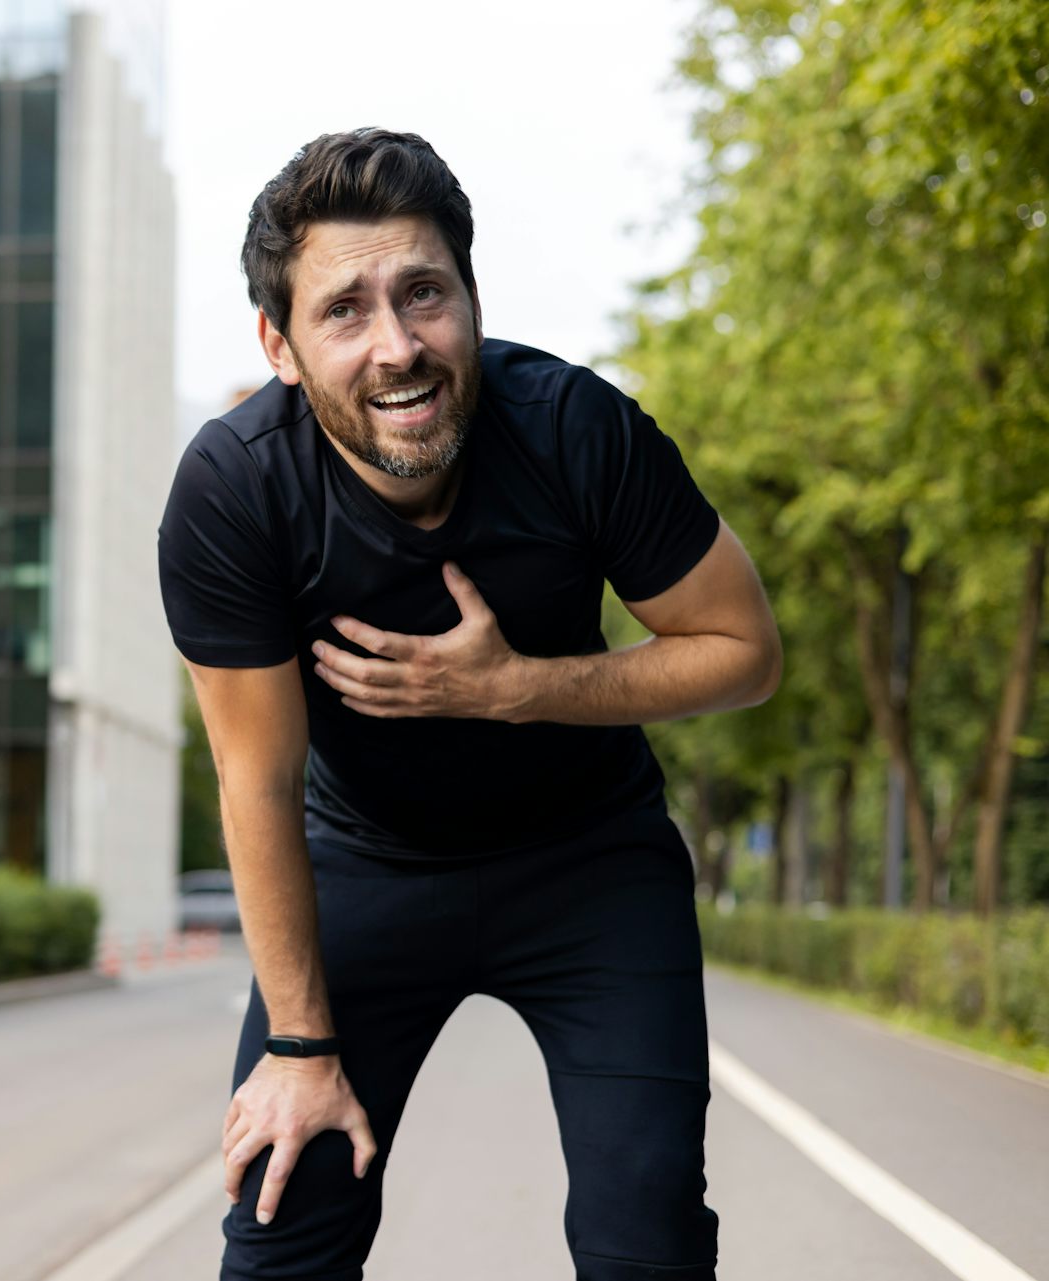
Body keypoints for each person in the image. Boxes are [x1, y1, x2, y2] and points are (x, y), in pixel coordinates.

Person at [155, 128, 782, 1281]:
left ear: (473, 301)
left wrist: (517, 690)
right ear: (280, 346)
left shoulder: (575, 429)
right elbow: (257, 777)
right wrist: (299, 1043)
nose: (398, 346)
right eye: (344, 310)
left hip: (590, 863)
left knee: (645, 1226)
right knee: (286, 1217)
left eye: (424, 293)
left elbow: (743, 650)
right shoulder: (235, 492)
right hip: (364, 870)